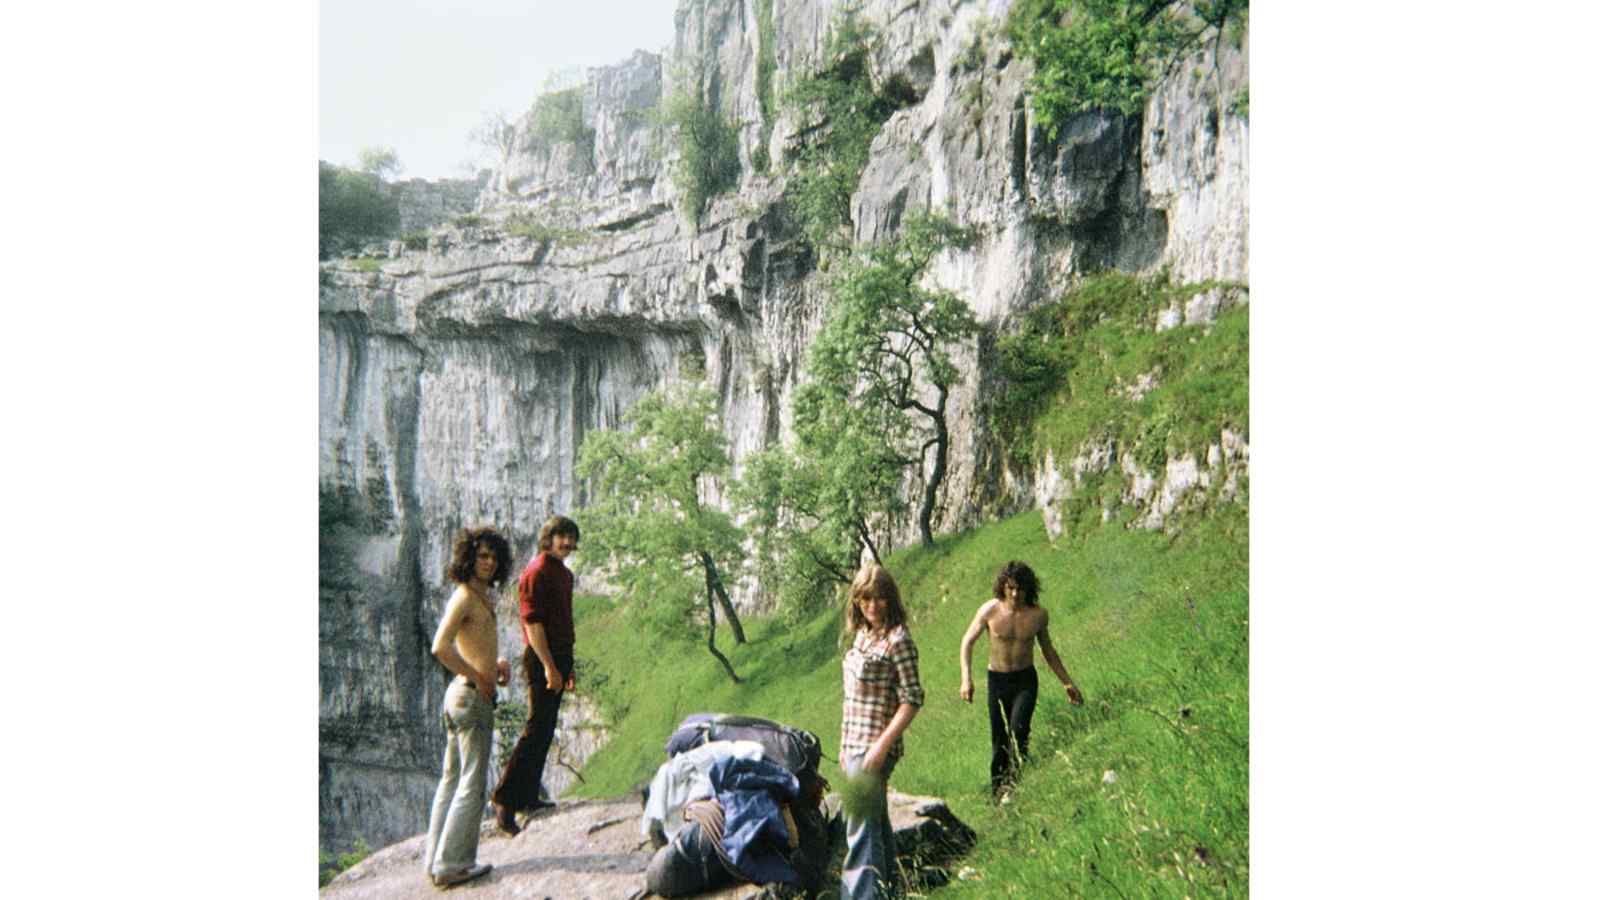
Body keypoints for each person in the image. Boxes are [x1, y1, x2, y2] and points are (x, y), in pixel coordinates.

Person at [423, 526, 513, 889]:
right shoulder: (464, 597)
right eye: (482, 556)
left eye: (493, 557)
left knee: (450, 779)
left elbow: (475, 644)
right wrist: (479, 677)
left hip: (463, 694)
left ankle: (435, 861)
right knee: (472, 784)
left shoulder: (478, 597)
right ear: (469, 559)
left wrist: (496, 666)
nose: (488, 563)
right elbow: (440, 647)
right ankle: (453, 864)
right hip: (469, 697)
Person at [958, 560, 1084, 798]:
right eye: (1011, 588)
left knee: (1019, 729)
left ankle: (1015, 783)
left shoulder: (1038, 616)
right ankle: (998, 791)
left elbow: (1048, 651)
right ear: (1003, 587)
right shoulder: (989, 611)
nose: (1015, 594)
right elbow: (967, 642)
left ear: (1029, 590)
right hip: (997, 680)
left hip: (1025, 680)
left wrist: (1067, 682)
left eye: (1020, 589)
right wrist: (966, 678)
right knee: (999, 738)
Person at [490, 514, 581, 835]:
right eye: (562, 537)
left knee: (544, 730)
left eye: (571, 539)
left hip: (559, 655)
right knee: (535, 728)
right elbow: (533, 624)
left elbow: (562, 623)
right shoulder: (536, 572)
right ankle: (504, 800)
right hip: (542, 656)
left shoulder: (563, 574)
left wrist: (566, 668)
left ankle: (527, 797)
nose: (567, 544)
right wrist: (549, 667)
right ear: (548, 538)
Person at [838, 563, 924, 900]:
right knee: (874, 825)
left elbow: (912, 699)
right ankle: (890, 892)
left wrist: (880, 749)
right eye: (865, 599)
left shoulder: (898, 640)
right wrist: (844, 747)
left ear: (891, 599)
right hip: (854, 745)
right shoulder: (861, 636)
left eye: (880, 599)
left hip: (876, 746)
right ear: (857, 601)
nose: (872, 606)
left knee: (858, 831)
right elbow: (851, 699)